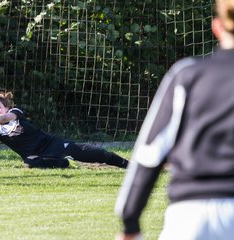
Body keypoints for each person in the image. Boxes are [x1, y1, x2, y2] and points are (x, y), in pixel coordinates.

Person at [115, 0, 234, 239]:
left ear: (217, 27)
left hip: (190, 217)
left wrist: (130, 220)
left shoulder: (187, 74)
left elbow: (149, 153)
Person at [0, 89, 128, 169]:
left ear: (7, 107)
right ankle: (64, 164)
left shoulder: (15, 113)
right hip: (37, 155)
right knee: (30, 163)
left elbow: (5, 118)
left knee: (97, 154)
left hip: (52, 144)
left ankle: (128, 165)